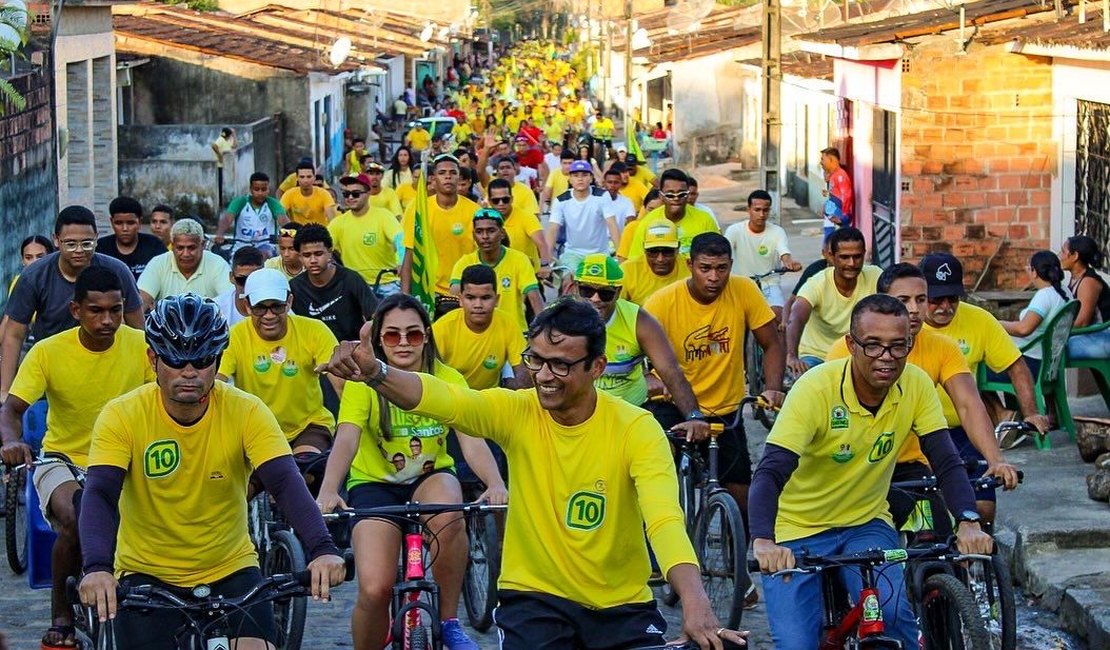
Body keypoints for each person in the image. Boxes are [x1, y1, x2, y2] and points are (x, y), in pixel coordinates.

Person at [318, 297, 748, 650]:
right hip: (534, 605)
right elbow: (444, 399)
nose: (544, 376)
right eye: (536, 360)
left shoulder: (637, 429)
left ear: (596, 368)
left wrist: (695, 603)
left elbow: (665, 521)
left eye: (560, 365)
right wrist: (375, 372)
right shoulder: (518, 411)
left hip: (623, 606)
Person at [78, 294, 346, 648]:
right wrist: (97, 567)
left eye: (202, 359)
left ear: (217, 360)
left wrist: (322, 548)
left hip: (231, 568)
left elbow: (284, 481)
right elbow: (100, 492)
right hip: (147, 574)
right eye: (175, 359)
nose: (189, 371)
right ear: (152, 359)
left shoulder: (247, 411)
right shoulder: (122, 415)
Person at [750, 295, 994, 650]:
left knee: (893, 617)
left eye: (898, 347)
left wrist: (968, 520)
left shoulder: (916, 384)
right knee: (796, 643)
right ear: (851, 344)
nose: (887, 358)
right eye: (873, 346)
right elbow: (770, 472)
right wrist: (763, 541)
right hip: (795, 529)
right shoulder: (815, 390)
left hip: (865, 522)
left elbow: (945, 461)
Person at [315, 295, 506, 650]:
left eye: (413, 335)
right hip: (374, 486)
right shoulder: (363, 383)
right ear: (379, 340)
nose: (403, 343)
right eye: (392, 336)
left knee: (450, 511)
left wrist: (494, 483)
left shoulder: (448, 378)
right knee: (375, 587)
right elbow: (346, 439)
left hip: (430, 478)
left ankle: (449, 621)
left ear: (427, 336)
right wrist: (328, 489)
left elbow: (472, 440)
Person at [0, 268, 153, 649]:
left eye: (115, 310)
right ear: (75, 310)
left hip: (126, 459)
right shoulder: (48, 351)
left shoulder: (143, 344)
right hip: (63, 460)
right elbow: (11, 411)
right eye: (95, 310)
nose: (107, 320)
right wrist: (11, 442)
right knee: (76, 517)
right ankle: (61, 614)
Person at [824, 264, 1020, 527]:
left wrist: (996, 460)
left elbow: (968, 405)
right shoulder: (845, 350)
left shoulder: (943, 348)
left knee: (945, 541)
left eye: (921, 299)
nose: (914, 309)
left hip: (913, 465)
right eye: (903, 300)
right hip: (856, 469)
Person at [643, 233, 785, 532]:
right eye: (705, 268)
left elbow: (771, 343)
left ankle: (744, 556)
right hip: (674, 406)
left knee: (742, 490)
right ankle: (659, 537)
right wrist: (650, 378)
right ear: (689, 264)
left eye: (721, 268)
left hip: (725, 408)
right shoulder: (662, 302)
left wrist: (772, 387)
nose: (714, 277)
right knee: (660, 475)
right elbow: (636, 357)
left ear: (731, 266)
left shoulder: (744, 290)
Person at [919, 252, 1049, 509]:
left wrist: (1031, 412)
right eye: (936, 299)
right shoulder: (905, 326)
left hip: (967, 430)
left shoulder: (979, 319)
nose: (945, 306)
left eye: (952, 298)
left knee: (983, 506)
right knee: (929, 513)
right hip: (919, 434)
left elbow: (1016, 366)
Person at [2, 206, 144, 402]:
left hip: (109, 368)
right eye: (70, 244)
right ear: (56, 240)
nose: (79, 251)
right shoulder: (34, 276)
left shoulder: (117, 271)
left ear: (97, 237)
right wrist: (4, 390)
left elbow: (140, 331)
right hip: (56, 371)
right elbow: (14, 334)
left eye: (87, 243)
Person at [217, 269, 342, 455]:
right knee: (254, 481)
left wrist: (352, 432)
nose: (269, 315)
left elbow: (342, 385)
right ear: (247, 306)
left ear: (289, 302)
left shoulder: (315, 330)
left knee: (307, 467)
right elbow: (217, 383)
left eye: (276, 306)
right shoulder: (233, 336)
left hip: (309, 425)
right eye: (260, 307)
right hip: (255, 429)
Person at [573, 254, 705, 422]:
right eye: (587, 291)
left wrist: (694, 417)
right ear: (575, 288)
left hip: (630, 413)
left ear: (618, 292)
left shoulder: (639, 321)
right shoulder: (556, 318)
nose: (595, 299)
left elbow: (671, 371)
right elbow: (532, 365)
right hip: (577, 414)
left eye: (605, 293)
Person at [785, 227, 880, 375]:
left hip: (858, 354)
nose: (852, 263)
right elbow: (796, 317)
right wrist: (791, 356)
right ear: (831, 256)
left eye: (857, 256)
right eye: (844, 257)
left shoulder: (875, 276)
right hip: (817, 356)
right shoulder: (816, 283)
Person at [400, 155, 481, 304]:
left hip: (466, 292)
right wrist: (405, 296)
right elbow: (410, 253)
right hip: (429, 292)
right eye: (442, 173)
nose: (448, 177)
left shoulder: (475, 211)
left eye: (453, 173)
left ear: (459, 178)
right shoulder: (418, 209)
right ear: (433, 179)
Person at [433, 264, 526, 390]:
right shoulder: (443, 328)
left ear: (497, 300)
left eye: (485, 298)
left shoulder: (508, 323)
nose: (478, 305)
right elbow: (428, 374)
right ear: (460, 299)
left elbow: (523, 373)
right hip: (452, 399)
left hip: (490, 400)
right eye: (470, 298)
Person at [450, 208, 543, 333]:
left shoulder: (519, 259)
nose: (485, 237)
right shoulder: (463, 263)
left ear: (502, 233)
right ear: (473, 235)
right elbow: (455, 298)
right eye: (479, 232)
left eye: (491, 231)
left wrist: (543, 326)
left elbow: (534, 295)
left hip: (514, 332)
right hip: (476, 334)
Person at [290, 225, 378, 343]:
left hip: (352, 350)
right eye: (307, 255)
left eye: (318, 254)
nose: (313, 260)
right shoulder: (295, 287)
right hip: (313, 352)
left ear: (330, 253)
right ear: (299, 257)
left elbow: (374, 317)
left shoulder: (351, 279)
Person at [724, 190, 801, 322]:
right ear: (748, 210)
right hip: (741, 284)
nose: (761, 214)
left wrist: (789, 262)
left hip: (769, 284)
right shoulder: (734, 230)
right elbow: (724, 252)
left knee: (778, 317)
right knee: (734, 321)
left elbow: (783, 251)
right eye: (757, 210)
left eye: (765, 210)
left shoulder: (777, 231)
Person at [994, 251, 1068, 382]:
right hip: (1048, 361)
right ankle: (1013, 403)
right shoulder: (1064, 292)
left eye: (1029, 268)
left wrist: (995, 323)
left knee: (977, 370)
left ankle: (1003, 404)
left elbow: (1023, 329)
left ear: (1034, 272)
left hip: (1032, 363)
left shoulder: (1045, 296)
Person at [329, 173, 404, 299]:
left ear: (368, 193)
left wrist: (401, 261)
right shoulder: (338, 223)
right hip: (355, 285)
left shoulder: (383, 216)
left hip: (387, 283)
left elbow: (400, 239)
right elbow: (322, 245)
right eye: (346, 194)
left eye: (356, 193)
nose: (351, 198)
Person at [137, 219, 233, 310]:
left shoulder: (217, 264)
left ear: (202, 245)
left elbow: (231, 302)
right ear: (172, 246)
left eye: (191, 248)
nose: (186, 254)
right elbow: (140, 303)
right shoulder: (158, 263)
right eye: (180, 248)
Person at [625, 169, 718, 259]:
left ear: (688, 195)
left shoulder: (705, 219)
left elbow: (717, 256)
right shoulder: (648, 222)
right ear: (661, 196)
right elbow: (636, 261)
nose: (676, 199)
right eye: (670, 195)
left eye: (681, 194)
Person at [546, 160, 620, 272]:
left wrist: (621, 255)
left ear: (591, 178)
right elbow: (553, 229)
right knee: (568, 282)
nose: (580, 179)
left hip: (600, 254)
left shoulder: (602, 196)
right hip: (572, 254)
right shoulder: (561, 200)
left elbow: (612, 224)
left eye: (585, 175)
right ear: (570, 179)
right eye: (576, 175)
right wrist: (546, 259)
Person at [487, 178, 553, 279]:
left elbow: (542, 243)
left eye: (505, 199)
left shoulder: (526, 217)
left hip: (526, 275)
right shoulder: (484, 220)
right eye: (496, 200)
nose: (501, 203)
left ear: (512, 199)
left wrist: (545, 265)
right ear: (490, 201)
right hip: (496, 276)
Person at [1059, 234, 1110, 359]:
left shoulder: (1088, 282)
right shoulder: (1076, 279)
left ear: (1075, 256)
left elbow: (1082, 322)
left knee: (1051, 350)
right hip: (1091, 335)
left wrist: (1056, 332)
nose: (1060, 256)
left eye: (1063, 252)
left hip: (1103, 337)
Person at [619, 220, 691, 306]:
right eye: (653, 252)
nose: (660, 259)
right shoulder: (627, 270)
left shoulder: (691, 269)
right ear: (644, 249)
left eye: (667, 251)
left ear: (678, 248)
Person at [215, 172, 289, 255]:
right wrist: (220, 233)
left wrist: (290, 233)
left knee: (263, 255)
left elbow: (283, 220)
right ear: (251, 189)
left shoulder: (273, 204)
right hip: (241, 246)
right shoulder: (240, 202)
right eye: (256, 189)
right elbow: (227, 219)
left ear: (268, 189)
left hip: (266, 246)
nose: (260, 193)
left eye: (264, 189)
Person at [96, 197, 167, 281]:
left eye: (130, 223)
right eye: (119, 223)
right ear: (111, 222)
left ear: (139, 222)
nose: (125, 228)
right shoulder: (100, 248)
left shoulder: (155, 246)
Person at [213, 245, 264, 328]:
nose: (248, 287)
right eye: (242, 280)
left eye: (254, 280)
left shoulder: (278, 306)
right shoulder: (216, 309)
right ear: (232, 277)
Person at [280, 160, 338, 227]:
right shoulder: (289, 194)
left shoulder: (324, 194)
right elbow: (280, 213)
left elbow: (332, 220)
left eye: (309, 177)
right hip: (297, 234)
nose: (305, 181)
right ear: (297, 178)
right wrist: (289, 228)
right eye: (302, 177)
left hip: (319, 233)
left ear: (314, 178)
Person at [820, 146, 853, 239]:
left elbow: (847, 196)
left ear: (831, 160)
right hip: (833, 214)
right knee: (829, 236)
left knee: (842, 238)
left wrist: (843, 216)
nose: (821, 162)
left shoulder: (840, 176)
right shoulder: (833, 175)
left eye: (823, 159)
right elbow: (834, 194)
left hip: (841, 215)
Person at [212, 127, 236, 208]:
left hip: (225, 167)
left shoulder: (226, 141)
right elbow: (214, 146)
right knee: (220, 185)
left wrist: (234, 135)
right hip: (219, 166)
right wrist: (219, 155)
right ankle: (221, 203)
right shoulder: (221, 140)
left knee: (223, 185)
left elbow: (235, 145)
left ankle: (223, 202)